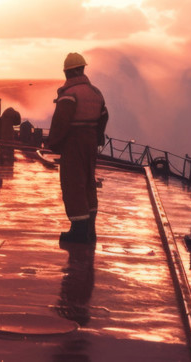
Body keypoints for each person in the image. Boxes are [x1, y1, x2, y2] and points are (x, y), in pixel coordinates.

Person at [47, 52, 108, 244]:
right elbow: (104, 116)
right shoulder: (96, 92)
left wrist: (54, 144)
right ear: (82, 69)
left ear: (68, 72)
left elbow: (61, 122)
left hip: (74, 143)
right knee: (89, 183)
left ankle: (78, 231)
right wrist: (97, 138)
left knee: (74, 184)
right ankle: (90, 229)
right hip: (90, 143)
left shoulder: (70, 94)